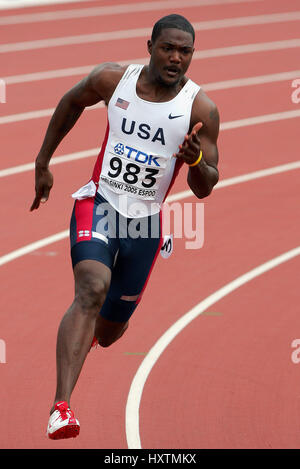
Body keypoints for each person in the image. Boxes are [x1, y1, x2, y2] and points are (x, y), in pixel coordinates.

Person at [30, 14, 219, 440]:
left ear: (192, 55)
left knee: (111, 331)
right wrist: (43, 161)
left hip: (145, 225)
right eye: (167, 48)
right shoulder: (112, 81)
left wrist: (193, 160)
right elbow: (70, 101)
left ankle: (86, 340)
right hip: (99, 204)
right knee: (90, 289)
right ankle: (61, 407)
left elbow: (206, 186)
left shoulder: (200, 109)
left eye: (185, 51)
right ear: (149, 44)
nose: (175, 58)